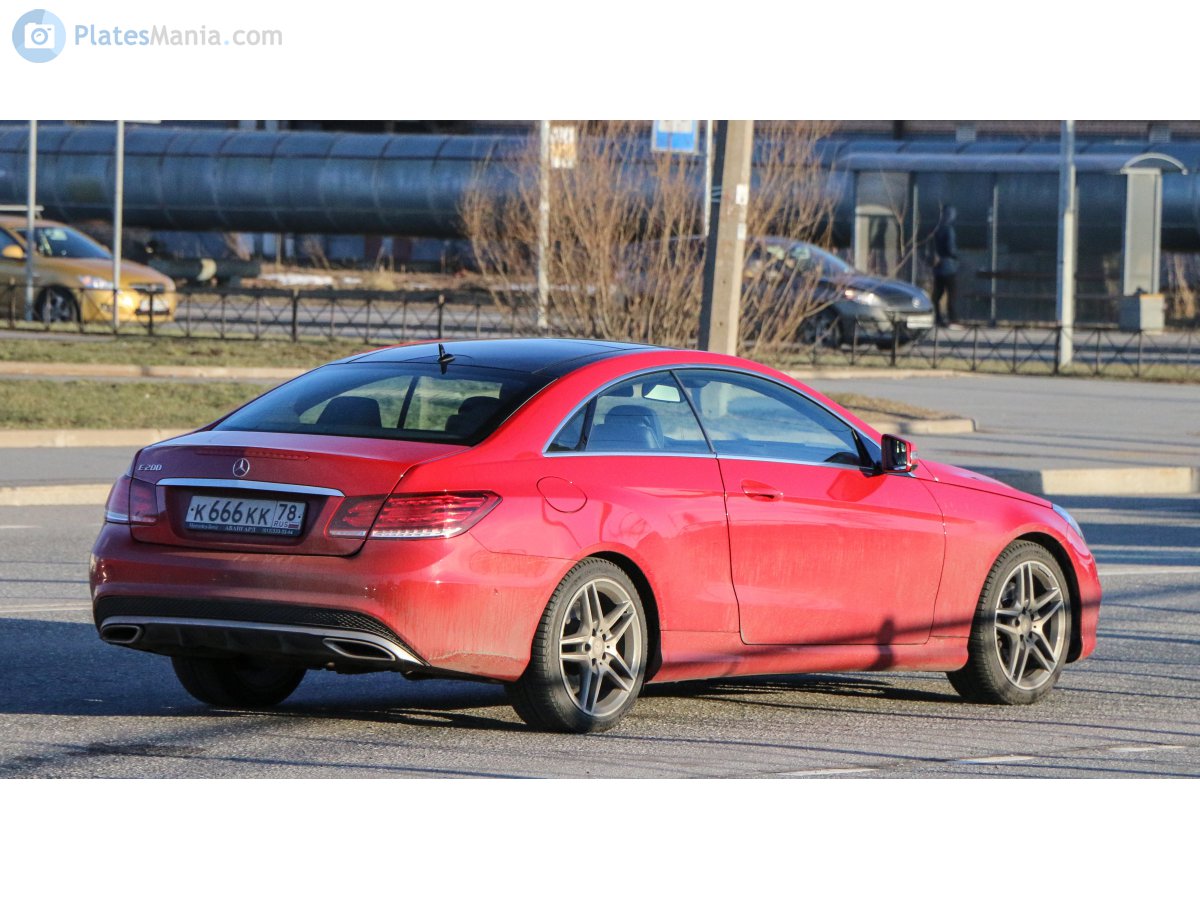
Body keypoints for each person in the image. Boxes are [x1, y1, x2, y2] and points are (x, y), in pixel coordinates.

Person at [930, 205, 959, 326]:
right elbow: (951, 248)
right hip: (949, 266)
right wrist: (956, 256)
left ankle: (937, 316)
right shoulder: (949, 230)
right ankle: (952, 318)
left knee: (937, 293)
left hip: (938, 267)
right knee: (952, 293)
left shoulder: (937, 229)